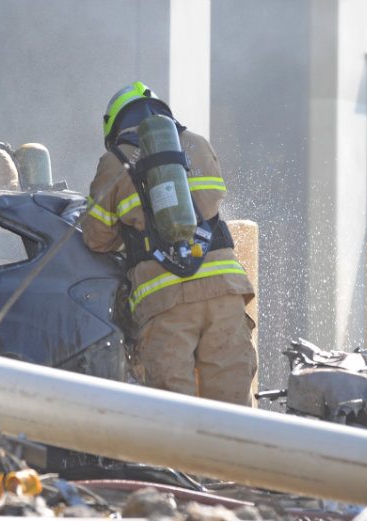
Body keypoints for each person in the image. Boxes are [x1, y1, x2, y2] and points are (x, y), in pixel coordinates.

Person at [82, 81, 257, 406]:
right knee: (234, 419)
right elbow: (211, 201)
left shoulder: (115, 161)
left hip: (165, 302)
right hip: (225, 293)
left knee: (173, 422)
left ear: (115, 124)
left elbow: (96, 238)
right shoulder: (197, 145)